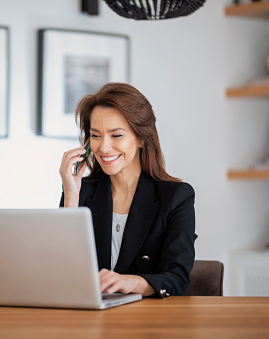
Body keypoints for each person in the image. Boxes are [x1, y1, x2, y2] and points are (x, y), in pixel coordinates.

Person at [59, 82, 196, 298]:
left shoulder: (176, 197)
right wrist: (71, 196)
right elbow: (62, 273)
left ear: (141, 138)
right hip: (89, 319)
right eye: (95, 135)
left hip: (147, 323)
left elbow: (177, 279)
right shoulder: (80, 193)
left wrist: (128, 282)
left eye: (116, 135)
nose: (103, 147)